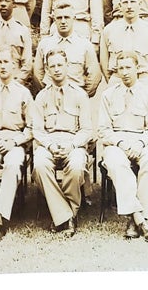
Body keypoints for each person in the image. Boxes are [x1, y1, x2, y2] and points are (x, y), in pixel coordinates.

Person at [98, 51, 148, 241]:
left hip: (142, 140)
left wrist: (141, 143)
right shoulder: (108, 95)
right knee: (117, 164)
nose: (124, 72)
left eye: (128, 67)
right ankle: (139, 219)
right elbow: (103, 130)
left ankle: (136, 220)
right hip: (116, 143)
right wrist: (121, 142)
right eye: (121, 68)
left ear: (137, 68)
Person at [31, 49, 94, 237]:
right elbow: (37, 130)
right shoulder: (41, 96)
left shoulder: (80, 95)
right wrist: (50, 145)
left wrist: (72, 145)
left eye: (60, 65)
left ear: (67, 66)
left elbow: (86, 129)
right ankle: (66, 215)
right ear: (48, 70)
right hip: (48, 143)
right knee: (39, 166)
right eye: (52, 66)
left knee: (76, 166)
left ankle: (69, 213)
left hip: (73, 142)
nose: (57, 69)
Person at [0, 46, 33, 242]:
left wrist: (13, 142)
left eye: (6, 62)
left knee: (12, 165)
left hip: (15, 142)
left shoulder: (23, 93)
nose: (2, 66)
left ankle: (0, 219)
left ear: (15, 66)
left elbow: (31, 128)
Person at [33, 0, 102, 96]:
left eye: (67, 17)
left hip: (76, 98)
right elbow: (37, 74)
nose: (63, 21)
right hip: (51, 97)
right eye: (59, 18)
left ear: (73, 18)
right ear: (54, 19)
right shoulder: (45, 44)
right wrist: (47, 93)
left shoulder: (85, 45)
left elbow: (95, 75)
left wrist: (82, 95)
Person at [100, 0, 148, 85]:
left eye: (133, 2)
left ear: (140, 4)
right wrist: (112, 82)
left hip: (142, 80)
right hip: (117, 81)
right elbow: (104, 62)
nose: (129, 6)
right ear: (120, 6)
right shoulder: (109, 30)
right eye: (125, 2)